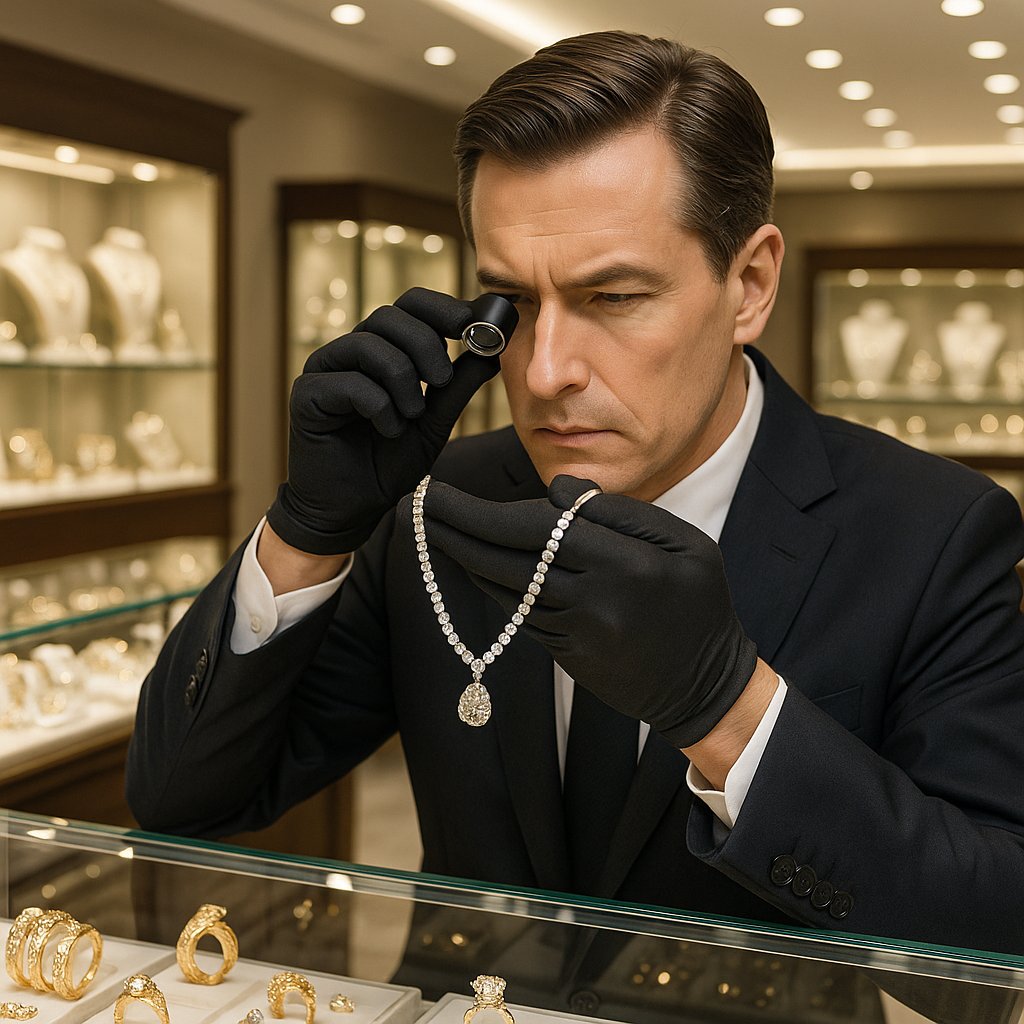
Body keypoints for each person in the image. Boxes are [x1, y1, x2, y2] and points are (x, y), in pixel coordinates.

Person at [126, 29, 1024, 977]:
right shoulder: (439, 504)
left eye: (615, 296)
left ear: (750, 284)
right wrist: (308, 531)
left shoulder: (927, 530)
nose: (546, 372)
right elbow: (184, 800)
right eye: (511, 303)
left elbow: (995, 934)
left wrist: (730, 709)